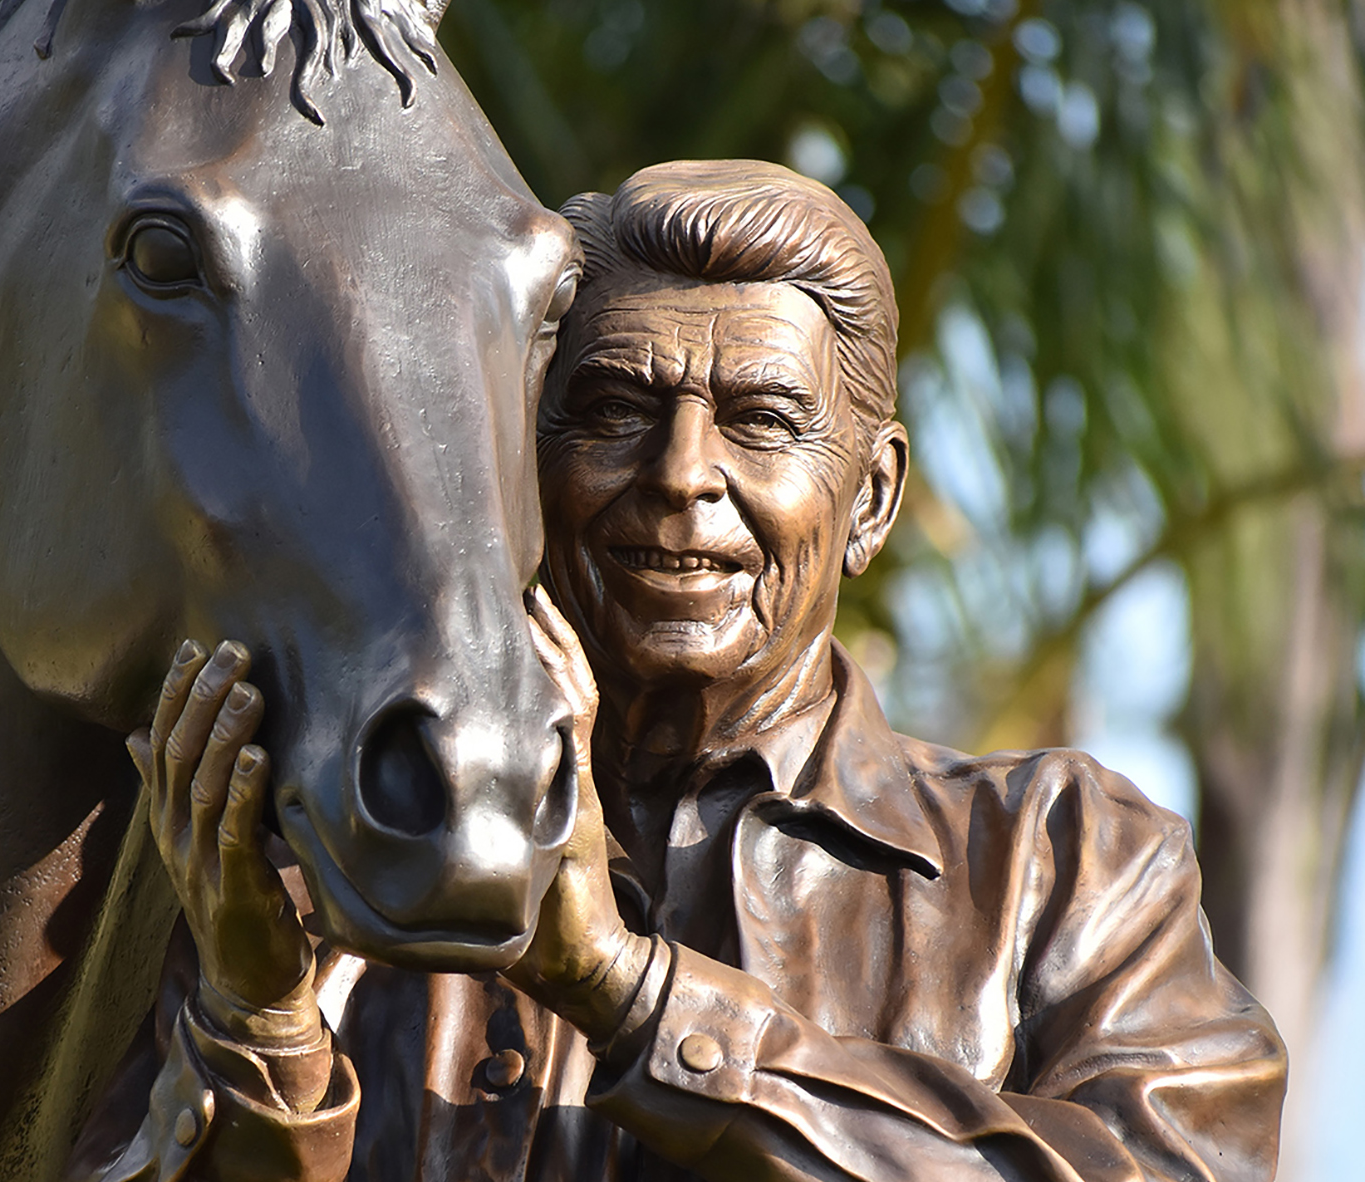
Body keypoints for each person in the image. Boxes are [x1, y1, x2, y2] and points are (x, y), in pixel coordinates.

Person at [70, 160, 1285, 1182]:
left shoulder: (1062, 865)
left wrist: (624, 990)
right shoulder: (321, 847)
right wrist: (261, 1029)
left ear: (870, 500)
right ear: (522, 460)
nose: (681, 472)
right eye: (613, 409)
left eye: (760, 420)